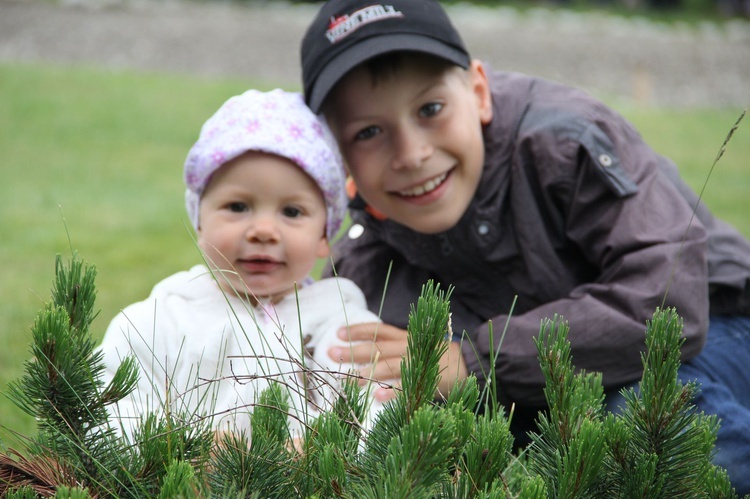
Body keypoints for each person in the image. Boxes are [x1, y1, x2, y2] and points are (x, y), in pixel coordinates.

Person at [299, 0, 750, 490]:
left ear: (477, 91)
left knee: (633, 419)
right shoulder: (365, 250)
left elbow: (669, 305)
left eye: (430, 109)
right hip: (538, 376)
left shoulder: (565, 141)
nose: (412, 154)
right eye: (368, 132)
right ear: (337, 156)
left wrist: (469, 361)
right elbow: (370, 381)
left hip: (715, 323)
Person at [99, 89, 383, 439]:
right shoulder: (157, 322)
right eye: (237, 206)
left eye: (292, 212)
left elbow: (379, 420)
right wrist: (188, 450)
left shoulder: (341, 325)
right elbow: (107, 415)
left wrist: (318, 455)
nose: (263, 231)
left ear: (324, 234)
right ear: (199, 220)